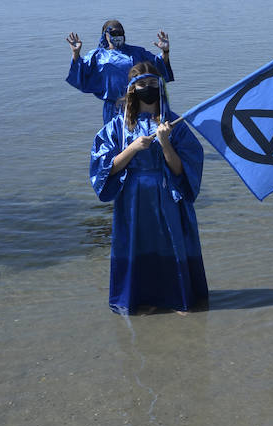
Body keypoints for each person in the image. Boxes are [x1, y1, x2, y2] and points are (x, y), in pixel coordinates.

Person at [89, 63, 208, 315]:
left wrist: (165, 143)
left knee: (170, 242)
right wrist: (132, 149)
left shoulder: (174, 124)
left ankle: (177, 297)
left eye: (153, 84)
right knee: (136, 245)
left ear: (160, 87)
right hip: (132, 198)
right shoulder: (117, 127)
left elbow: (182, 171)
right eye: (142, 85)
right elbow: (103, 170)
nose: (148, 89)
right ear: (132, 90)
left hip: (166, 195)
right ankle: (140, 297)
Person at [66, 20, 173, 123]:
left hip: (139, 102)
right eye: (114, 32)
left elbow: (158, 65)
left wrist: (165, 51)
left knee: (142, 135)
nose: (117, 35)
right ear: (105, 35)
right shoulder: (97, 55)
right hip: (113, 107)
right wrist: (76, 53)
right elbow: (81, 72)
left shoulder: (137, 52)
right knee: (115, 137)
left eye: (120, 33)